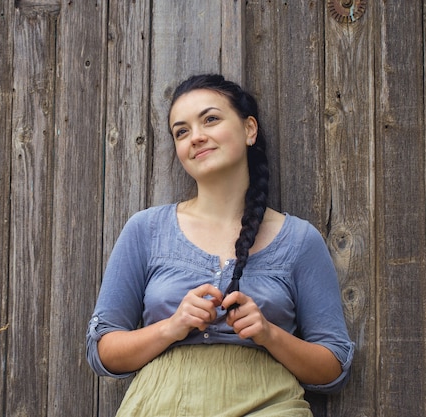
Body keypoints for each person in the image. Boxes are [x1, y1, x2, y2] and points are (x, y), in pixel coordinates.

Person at [86, 74, 354, 416]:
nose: (196, 137)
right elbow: (102, 351)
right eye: (181, 131)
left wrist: (269, 334)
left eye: (210, 119)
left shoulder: (299, 240)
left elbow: (333, 367)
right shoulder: (147, 229)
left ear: (249, 130)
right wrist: (172, 326)